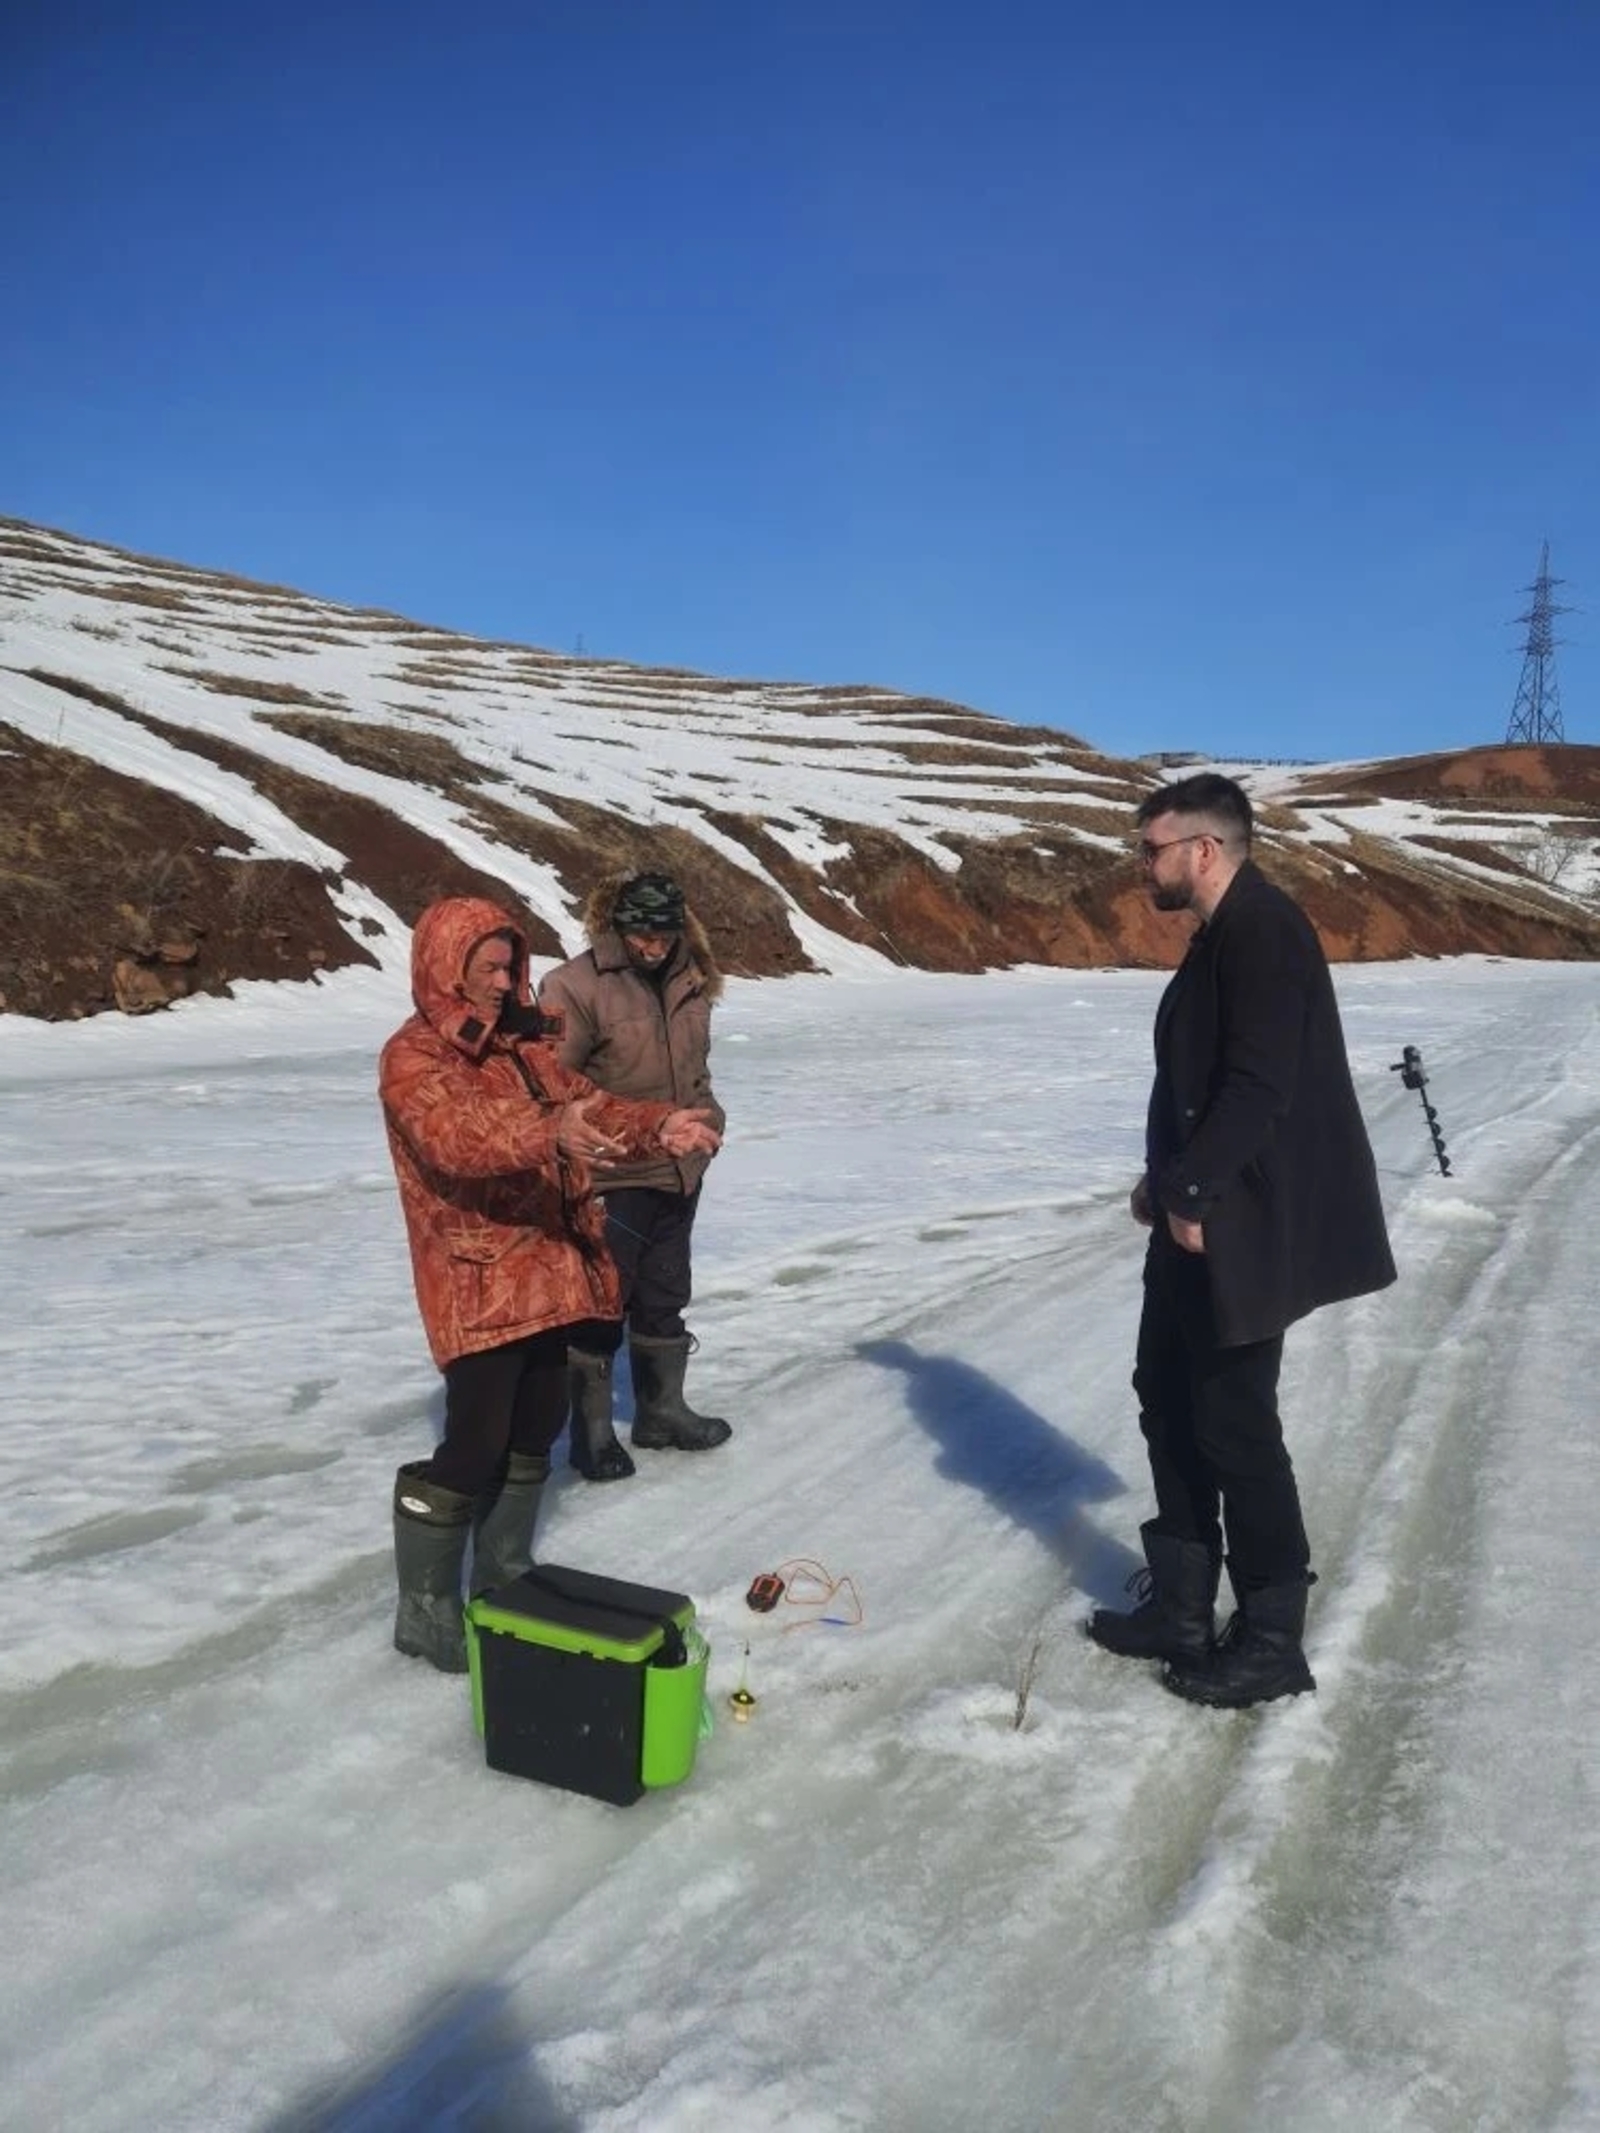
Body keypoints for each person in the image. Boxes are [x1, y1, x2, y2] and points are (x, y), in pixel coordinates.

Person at [1088, 773, 1396, 1707]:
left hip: (1241, 1224)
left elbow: (1260, 1084)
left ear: (1205, 850)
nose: (1143, 862)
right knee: (1166, 1395)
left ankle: (1271, 1635)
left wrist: (1189, 1188)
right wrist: (1166, 1180)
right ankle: (1182, 1608)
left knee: (1236, 1425)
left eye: (1153, 848)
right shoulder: (1222, 936)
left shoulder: (1263, 930)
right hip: (1197, 1214)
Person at [379, 895, 720, 1673]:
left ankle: (503, 1571)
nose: (504, 981)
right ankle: (424, 1609)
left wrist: (658, 1124)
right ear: (446, 968)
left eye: (511, 965)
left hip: (549, 1263)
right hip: (479, 1274)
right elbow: (455, 1140)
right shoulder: (414, 1056)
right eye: (488, 967)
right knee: (475, 1440)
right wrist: (546, 1133)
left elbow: (590, 1104)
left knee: (536, 1424)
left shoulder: (522, 1048)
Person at [537, 870, 730, 1481]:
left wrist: (710, 1116)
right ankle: (590, 1437)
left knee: (666, 1294)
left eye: (665, 932)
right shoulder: (574, 986)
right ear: (618, 925)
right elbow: (550, 1086)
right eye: (642, 932)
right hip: (610, 1173)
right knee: (600, 1302)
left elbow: (695, 1071)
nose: (653, 944)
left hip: (679, 1167)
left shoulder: (690, 980)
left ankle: (661, 1413)